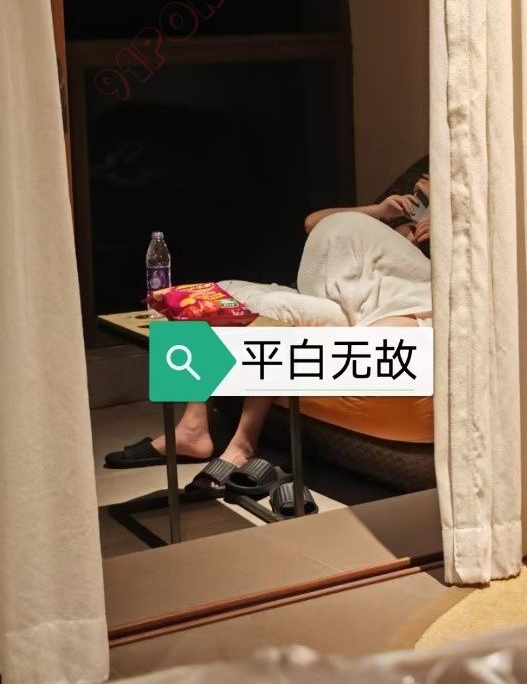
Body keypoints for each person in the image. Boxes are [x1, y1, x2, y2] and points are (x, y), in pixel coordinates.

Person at [105, 174, 431, 492]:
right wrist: (381, 211)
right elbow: (312, 222)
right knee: (209, 297)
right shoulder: (389, 217)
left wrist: (439, 217)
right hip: (330, 294)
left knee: (274, 312)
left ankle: (243, 444)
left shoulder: (436, 233)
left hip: (369, 303)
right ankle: (191, 427)